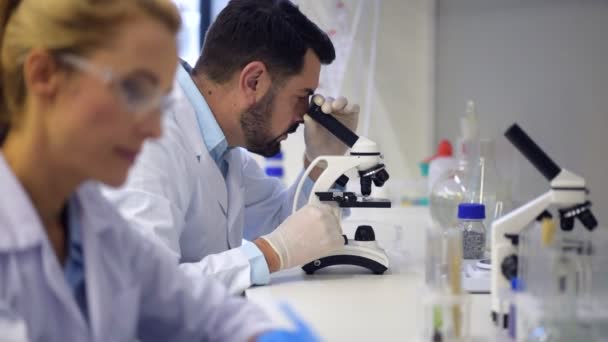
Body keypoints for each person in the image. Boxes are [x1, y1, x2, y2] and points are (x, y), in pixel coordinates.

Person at [0, 0, 315, 340]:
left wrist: (263, 334)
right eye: (135, 90)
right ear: (45, 75)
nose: (154, 128)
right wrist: (268, 254)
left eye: (162, 100)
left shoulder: (91, 222)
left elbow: (196, 308)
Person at [103, 0, 360, 294]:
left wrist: (324, 163)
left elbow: (288, 226)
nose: (305, 116)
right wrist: (269, 255)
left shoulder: (222, 147)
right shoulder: (151, 140)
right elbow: (143, 290)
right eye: (303, 96)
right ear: (254, 81)